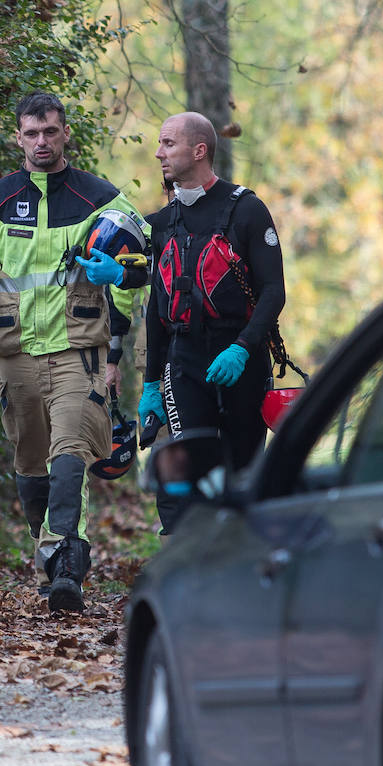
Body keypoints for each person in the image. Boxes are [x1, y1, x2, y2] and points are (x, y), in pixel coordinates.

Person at [0, 91, 147, 613]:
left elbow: (145, 257)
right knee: (31, 465)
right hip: (15, 355)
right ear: (18, 137)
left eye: (51, 132)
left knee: (69, 455)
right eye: (32, 133)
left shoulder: (100, 199)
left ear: (65, 135)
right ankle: (48, 556)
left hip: (77, 352)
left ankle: (66, 565)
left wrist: (121, 272)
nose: (42, 142)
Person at [140, 112, 285, 535]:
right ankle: (184, 562)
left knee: (242, 469)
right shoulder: (161, 224)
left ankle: (239, 559)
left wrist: (243, 347)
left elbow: (274, 291)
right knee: (183, 462)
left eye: (168, 143)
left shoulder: (248, 210)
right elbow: (156, 307)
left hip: (241, 357)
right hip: (184, 361)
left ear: (199, 150)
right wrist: (152, 382)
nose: (158, 152)